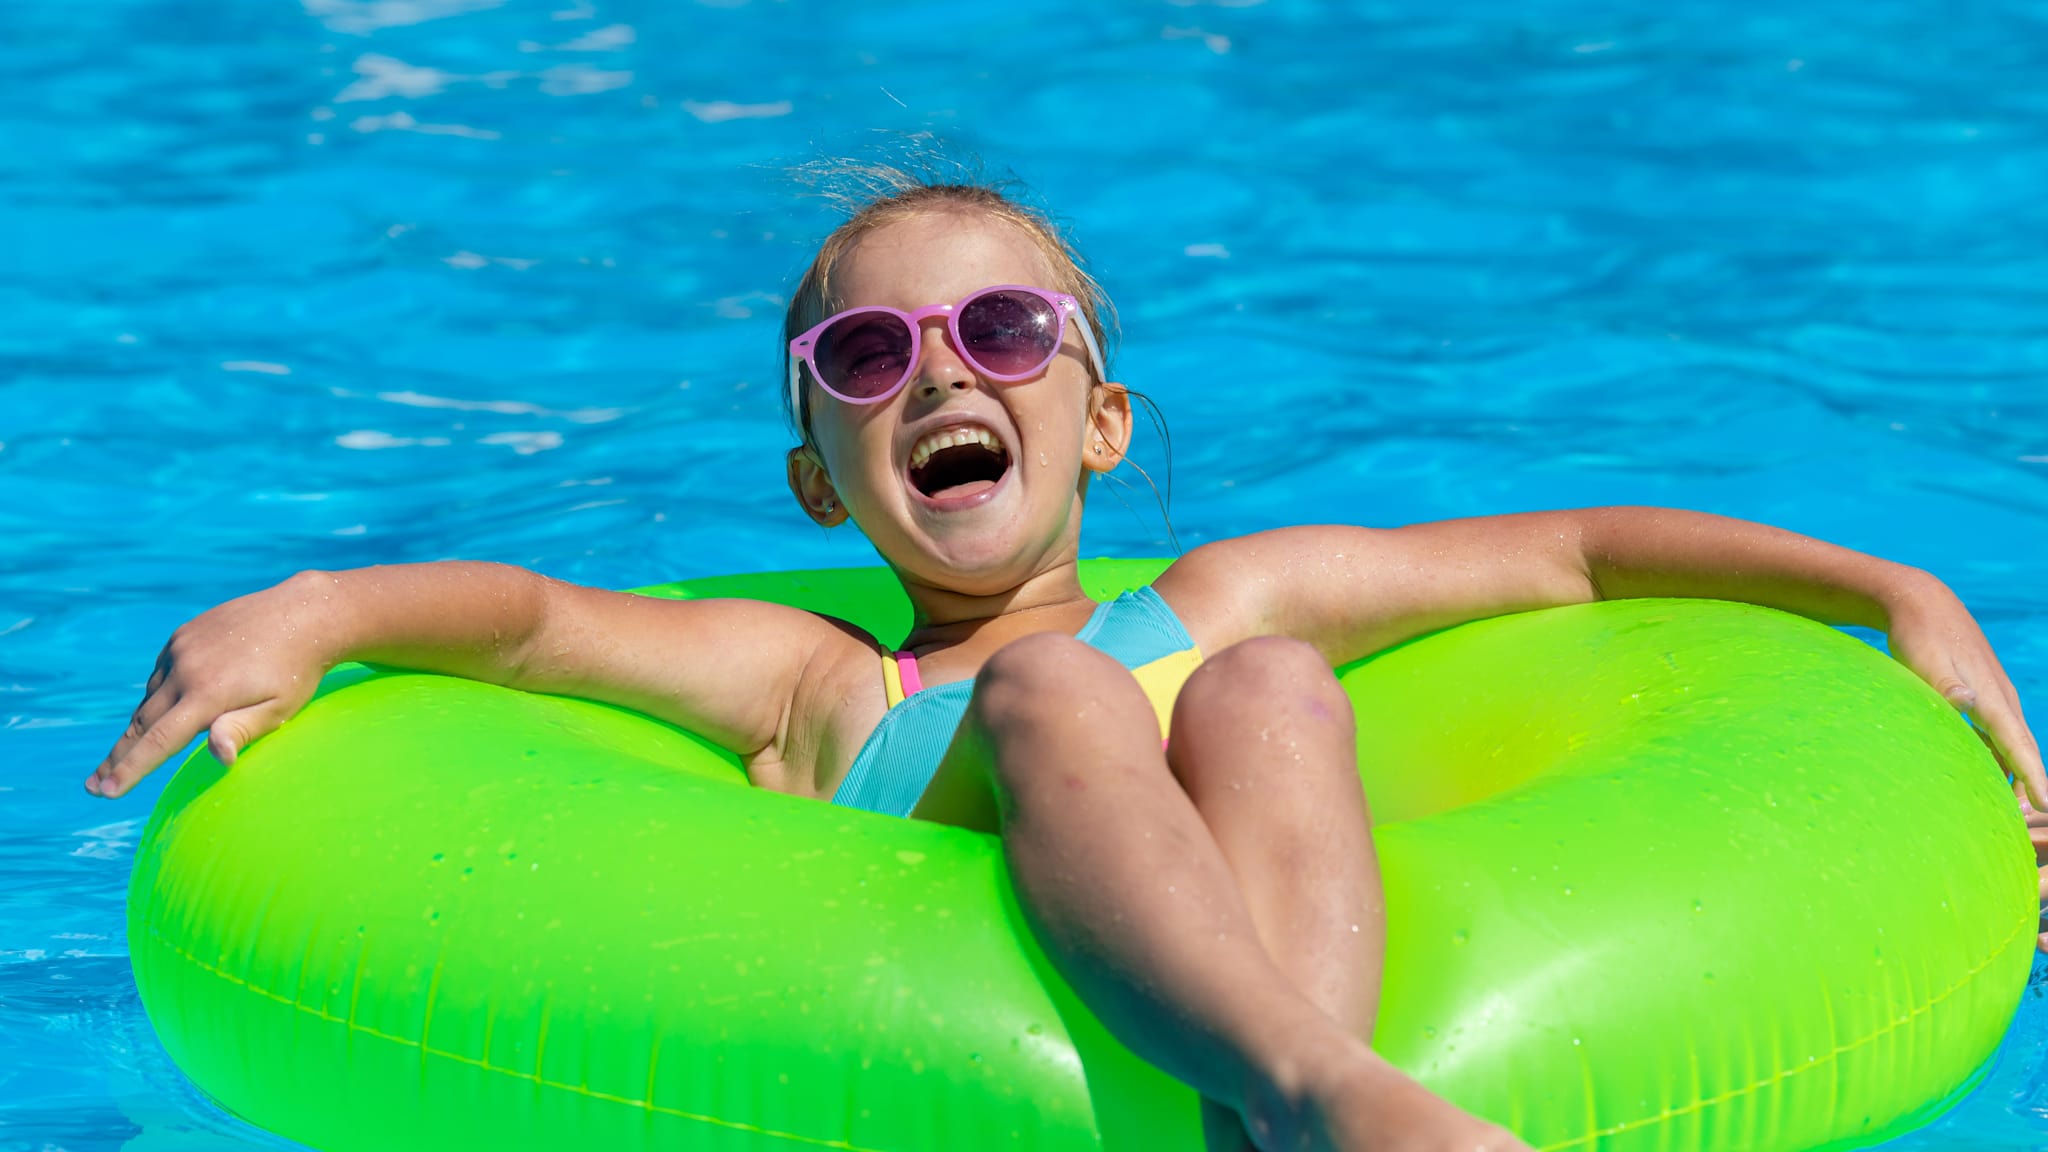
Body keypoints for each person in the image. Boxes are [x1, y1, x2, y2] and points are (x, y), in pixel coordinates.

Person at [87, 174, 2046, 1152]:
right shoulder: (811, 680)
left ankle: (1298, 1106)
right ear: (820, 476)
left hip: (1245, 889)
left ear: (1098, 420)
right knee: (1050, 691)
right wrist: (316, 608)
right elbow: (530, 626)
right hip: (926, 951)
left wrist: (1885, 589)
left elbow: (1569, 557)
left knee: (1271, 686)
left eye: (1006, 334)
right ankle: (1318, 1093)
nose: (943, 374)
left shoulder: (1220, 598)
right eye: (870, 358)